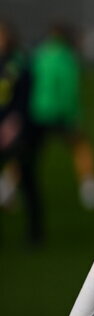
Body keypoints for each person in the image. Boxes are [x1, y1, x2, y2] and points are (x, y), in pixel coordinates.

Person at [21, 24, 94, 235]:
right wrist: (73, 115)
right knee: (80, 146)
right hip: (61, 113)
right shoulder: (68, 58)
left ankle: (7, 188)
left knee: (27, 154)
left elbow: (29, 83)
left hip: (38, 111)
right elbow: (69, 88)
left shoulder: (38, 55)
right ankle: (89, 185)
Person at [0, 21, 43, 242]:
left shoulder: (19, 64)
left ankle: (35, 233)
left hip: (19, 131)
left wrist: (14, 122)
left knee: (27, 180)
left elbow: (25, 97)